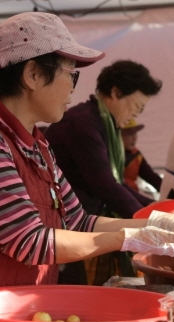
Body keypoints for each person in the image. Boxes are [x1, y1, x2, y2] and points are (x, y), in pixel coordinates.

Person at [0, 12, 174, 290]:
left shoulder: (37, 146)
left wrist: (158, 224)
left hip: (20, 307)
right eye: (71, 73)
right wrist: (130, 237)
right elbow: (29, 242)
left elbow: (78, 221)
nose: (73, 87)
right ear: (32, 74)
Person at [47, 60, 163, 217]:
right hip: (66, 219)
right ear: (116, 92)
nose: (137, 114)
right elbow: (106, 187)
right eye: (137, 106)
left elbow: (116, 183)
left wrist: (154, 208)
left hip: (82, 216)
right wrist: (153, 218)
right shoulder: (84, 124)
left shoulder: (102, 122)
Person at [121, 120, 163, 194]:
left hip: (132, 197)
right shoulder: (108, 155)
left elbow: (152, 178)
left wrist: (168, 190)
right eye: (130, 134)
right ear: (118, 135)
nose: (134, 138)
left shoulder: (136, 155)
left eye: (135, 133)